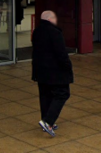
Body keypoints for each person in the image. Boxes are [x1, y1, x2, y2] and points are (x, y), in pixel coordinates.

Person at [31, 10, 72, 138]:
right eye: (54, 17)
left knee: (45, 95)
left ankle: (46, 119)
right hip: (55, 71)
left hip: (40, 70)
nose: (56, 20)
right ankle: (48, 121)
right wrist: (67, 67)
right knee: (62, 94)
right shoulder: (55, 33)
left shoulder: (37, 32)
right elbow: (61, 53)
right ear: (50, 19)